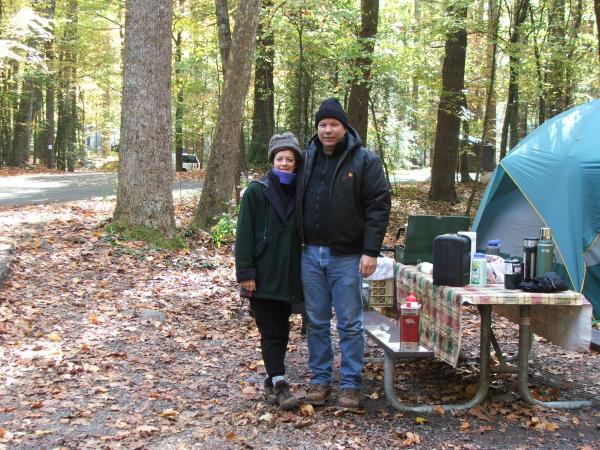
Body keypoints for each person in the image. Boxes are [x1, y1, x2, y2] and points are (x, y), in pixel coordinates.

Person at [298, 98, 391, 409]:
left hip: (348, 255)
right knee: (316, 320)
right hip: (310, 254)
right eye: (322, 125)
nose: (327, 130)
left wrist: (370, 251)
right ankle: (320, 380)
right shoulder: (307, 158)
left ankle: (350, 385)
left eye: (333, 124)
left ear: (344, 127)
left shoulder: (365, 161)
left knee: (350, 322)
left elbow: (378, 206)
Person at [235, 132, 303, 411]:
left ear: (296, 163)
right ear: (272, 161)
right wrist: (246, 273)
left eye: (289, 159)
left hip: (289, 274)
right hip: (263, 274)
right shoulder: (256, 191)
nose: (284, 163)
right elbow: (244, 236)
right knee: (270, 329)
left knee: (282, 327)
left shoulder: (302, 190)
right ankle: (278, 381)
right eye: (279, 159)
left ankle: (273, 377)